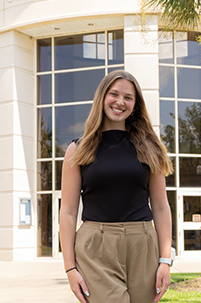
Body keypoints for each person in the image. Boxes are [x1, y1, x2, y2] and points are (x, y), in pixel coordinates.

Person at [60, 70, 173, 303]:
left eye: (128, 97)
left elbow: (161, 207)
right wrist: (70, 269)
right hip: (95, 247)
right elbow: (68, 212)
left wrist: (165, 260)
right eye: (114, 94)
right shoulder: (78, 149)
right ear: (102, 97)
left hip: (143, 245)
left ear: (135, 104)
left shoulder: (151, 148)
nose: (120, 102)